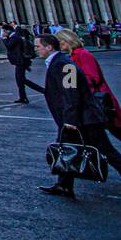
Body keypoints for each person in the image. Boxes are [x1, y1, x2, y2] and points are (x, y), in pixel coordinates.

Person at [26, 32, 108, 198]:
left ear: (49, 47)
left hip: (84, 119)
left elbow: (71, 93)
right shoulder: (58, 62)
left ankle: (63, 185)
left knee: (107, 150)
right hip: (76, 117)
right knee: (65, 148)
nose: (35, 49)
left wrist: (70, 120)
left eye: (38, 46)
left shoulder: (65, 65)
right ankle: (63, 185)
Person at [54, 29, 121, 171]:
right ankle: (64, 183)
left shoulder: (82, 55)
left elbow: (92, 78)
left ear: (67, 41)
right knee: (73, 144)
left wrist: (72, 90)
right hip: (84, 108)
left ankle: (64, 183)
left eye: (59, 42)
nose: (58, 46)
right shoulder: (69, 59)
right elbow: (70, 85)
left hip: (96, 105)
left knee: (105, 144)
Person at [2, 23, 33, 103]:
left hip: (20, 61)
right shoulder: (14, 36)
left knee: (21, 80)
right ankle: (23, 97)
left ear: (7, 31)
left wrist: (4, 38)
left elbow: (9, 46)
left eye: (4, 31)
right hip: (19, 61)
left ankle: (40, 90)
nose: (3, 33)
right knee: (20, 80)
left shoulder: (14, 37)